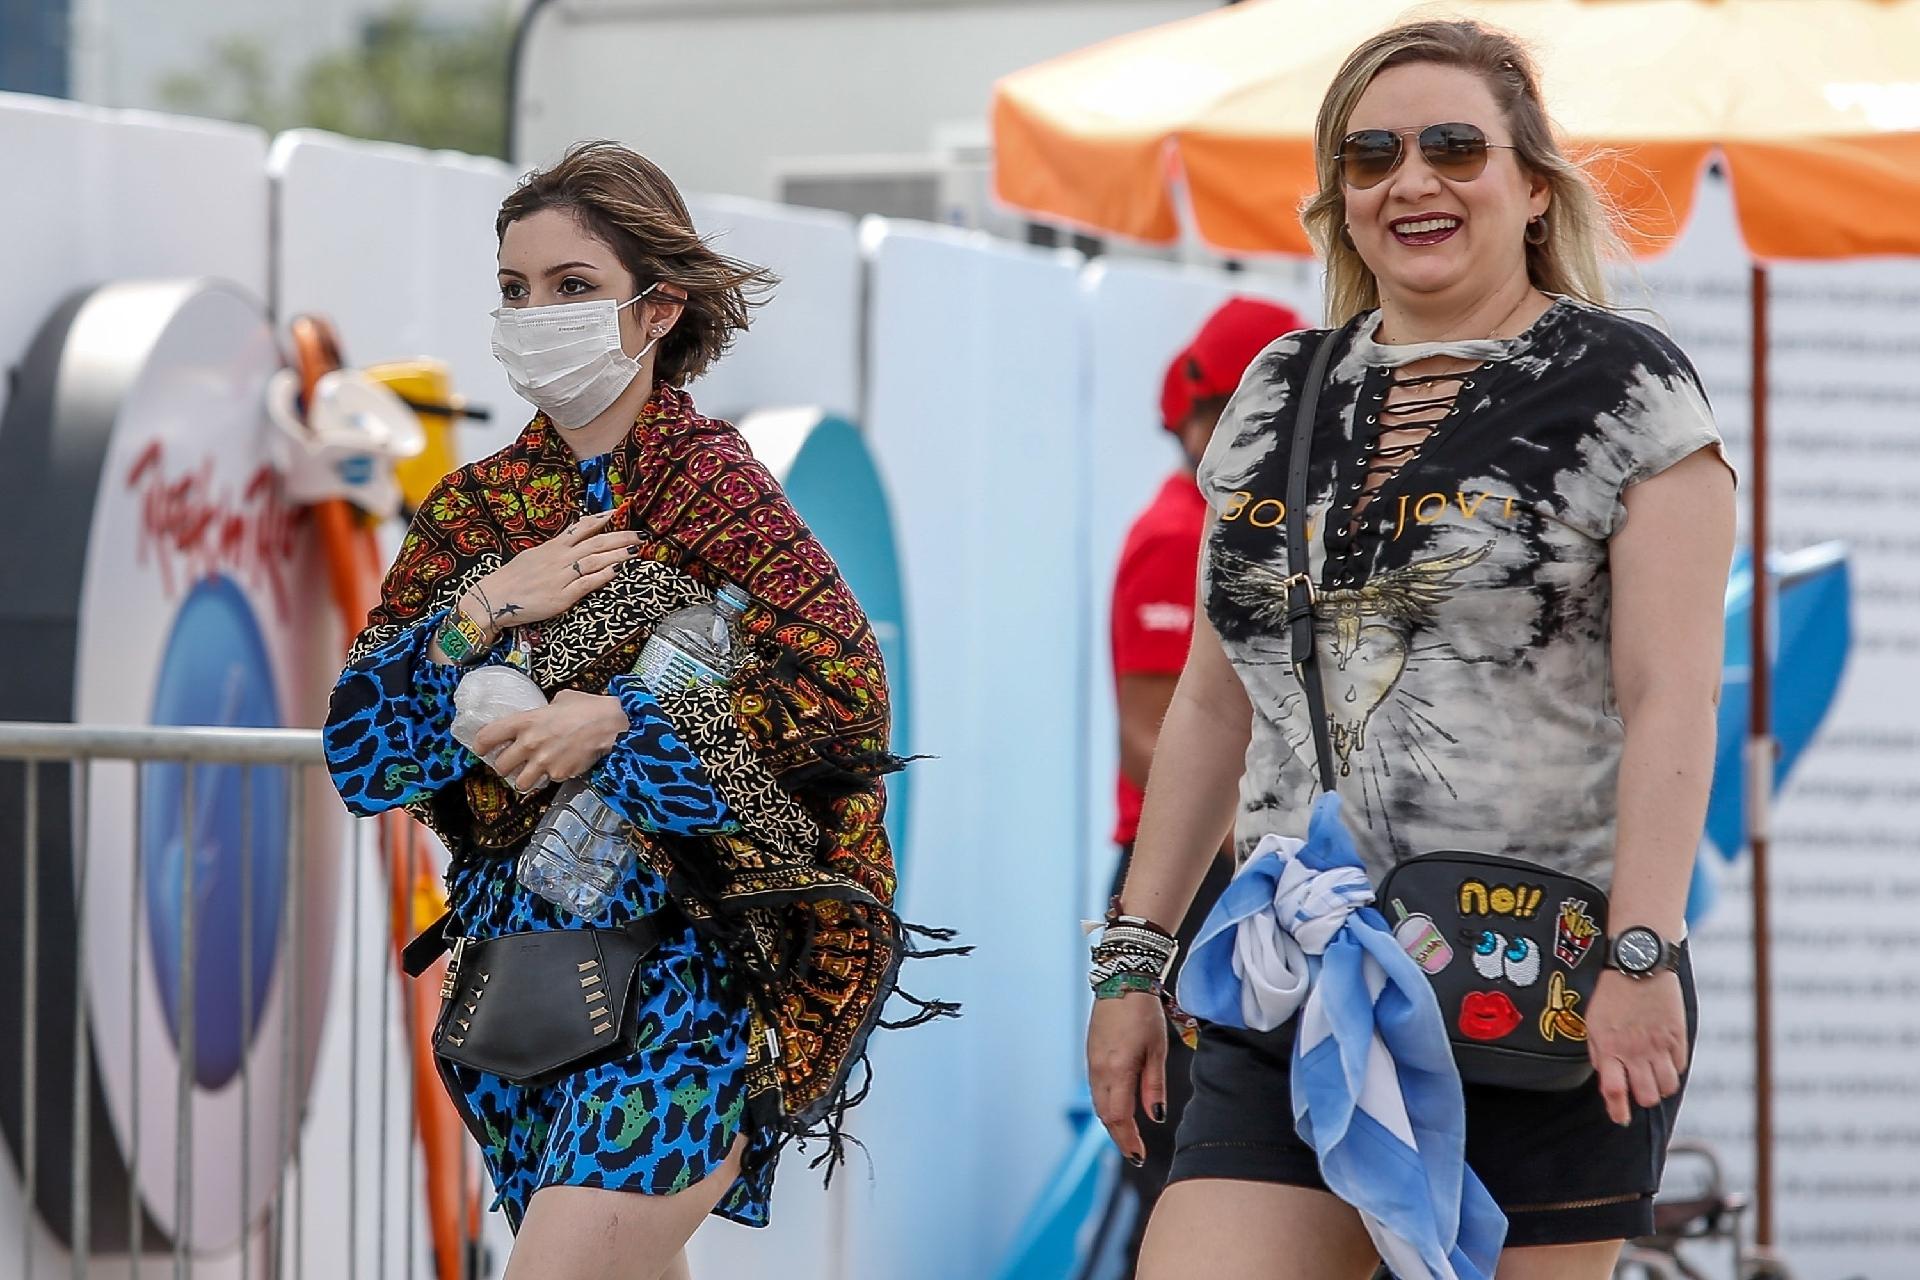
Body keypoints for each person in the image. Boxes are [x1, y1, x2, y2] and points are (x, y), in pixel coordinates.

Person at [1084, 19, 1736, 1280]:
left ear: (1532, 185)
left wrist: (1644, 954)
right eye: (1371, 154)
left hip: (1539, 984)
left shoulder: (1628, 387)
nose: (1412, 180)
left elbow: (1673, 699)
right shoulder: (1277, 389)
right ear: (1339, 198)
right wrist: (1133, 958)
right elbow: (1216, 713)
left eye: (1454, 146)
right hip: (1293, 978)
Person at [323, 141, 914, 1280]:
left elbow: (842, 706)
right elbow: (361, 752)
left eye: (572, 286)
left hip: (683, 982)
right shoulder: (478, 508)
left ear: (658, 311)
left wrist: (621, 724)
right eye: (514, 288)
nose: (535, 312)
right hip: (512, 991)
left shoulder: (715, 488)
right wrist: (489, 602)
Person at [1088, 296, 1304, 1277]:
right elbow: (1154, 737)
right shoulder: (1180, 534)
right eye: (1232, 411)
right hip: (1193, 886)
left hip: (1262, 880)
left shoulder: (1276, 526)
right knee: (1187, 1172)